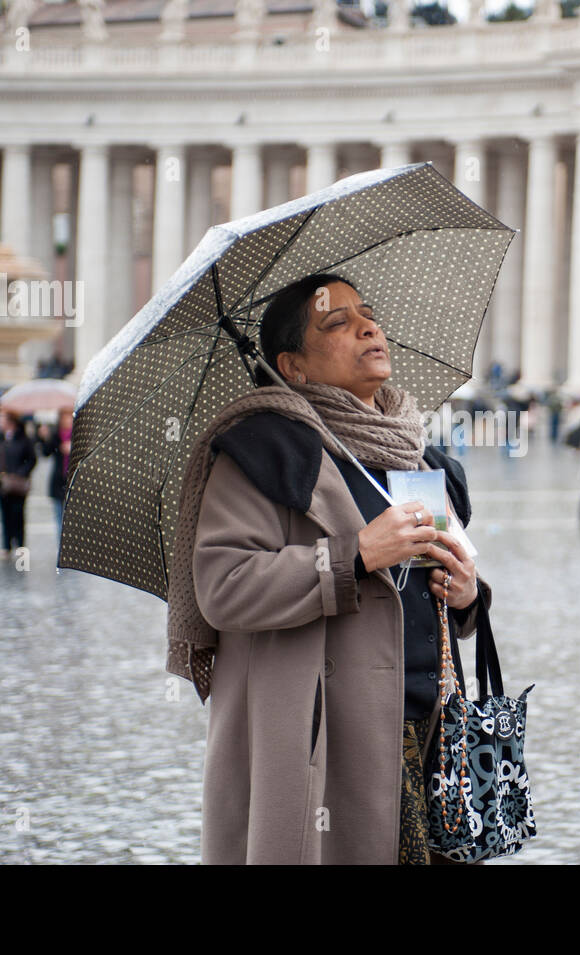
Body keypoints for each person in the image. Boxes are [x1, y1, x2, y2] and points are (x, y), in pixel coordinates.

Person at [172, 273, 492, 865]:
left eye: (367, 314)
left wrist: (467, 594)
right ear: (291, 367)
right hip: (328, 741)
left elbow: (440, 590)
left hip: (433, 740)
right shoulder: (261, 454)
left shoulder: (415, 456)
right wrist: (354, 556)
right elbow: (224, 588)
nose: (368, 327)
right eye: (337, 323)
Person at [0, 408, 36, 559]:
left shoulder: (24, 439)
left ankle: (20, 546)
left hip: (18, 485)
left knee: (18, 515)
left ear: (11, 422)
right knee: (4, 515)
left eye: (2, 419)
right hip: (0, 484)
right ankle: (5, 546)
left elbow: (31, 459)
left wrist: (20, 473)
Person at [37, 408, 73, 539]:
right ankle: (60, 549)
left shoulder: (78, 434)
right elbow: (46, 453)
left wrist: (72, 447)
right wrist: (44, 437)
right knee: (59, 517)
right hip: (59, 481)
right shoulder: (56, 435)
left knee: (72, 519)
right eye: (64, 417)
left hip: (74, 482)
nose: (66, 420)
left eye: (69, 416)